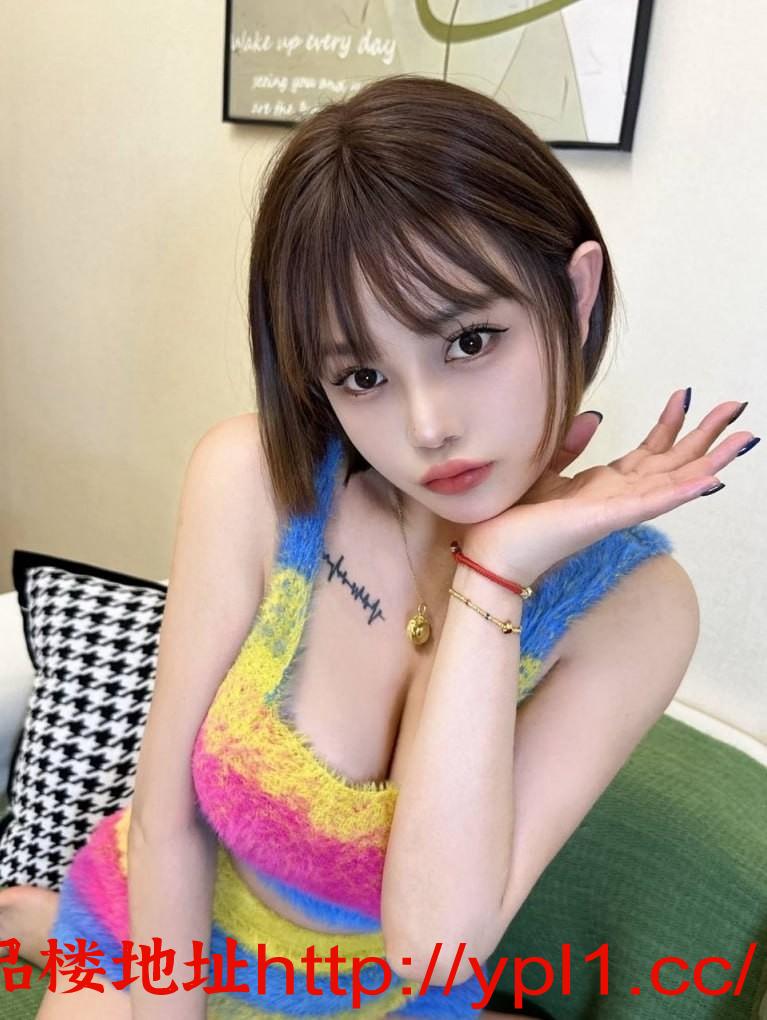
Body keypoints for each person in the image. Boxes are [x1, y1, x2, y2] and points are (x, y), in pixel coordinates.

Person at [0, 73, 757, 1020]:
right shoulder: (256, 480)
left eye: (469, 340)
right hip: (162, 936)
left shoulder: (634, 610)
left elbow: (435, 947)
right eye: (362, 375)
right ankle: (50, 925)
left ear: (573, 295)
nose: (428, 426)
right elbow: (167, 823)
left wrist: (492, 572)